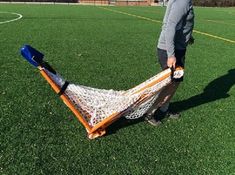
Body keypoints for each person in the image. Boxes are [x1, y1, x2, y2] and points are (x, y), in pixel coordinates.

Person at [145, 0, 195, 126]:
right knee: (170, 82)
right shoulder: (182, 2)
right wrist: (171, 55)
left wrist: (188, 37)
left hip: (177, 48)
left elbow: (178, 23)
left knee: (175, 80)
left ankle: (164, 108)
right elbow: (170, 27)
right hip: (172, 50)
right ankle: (150, 112)